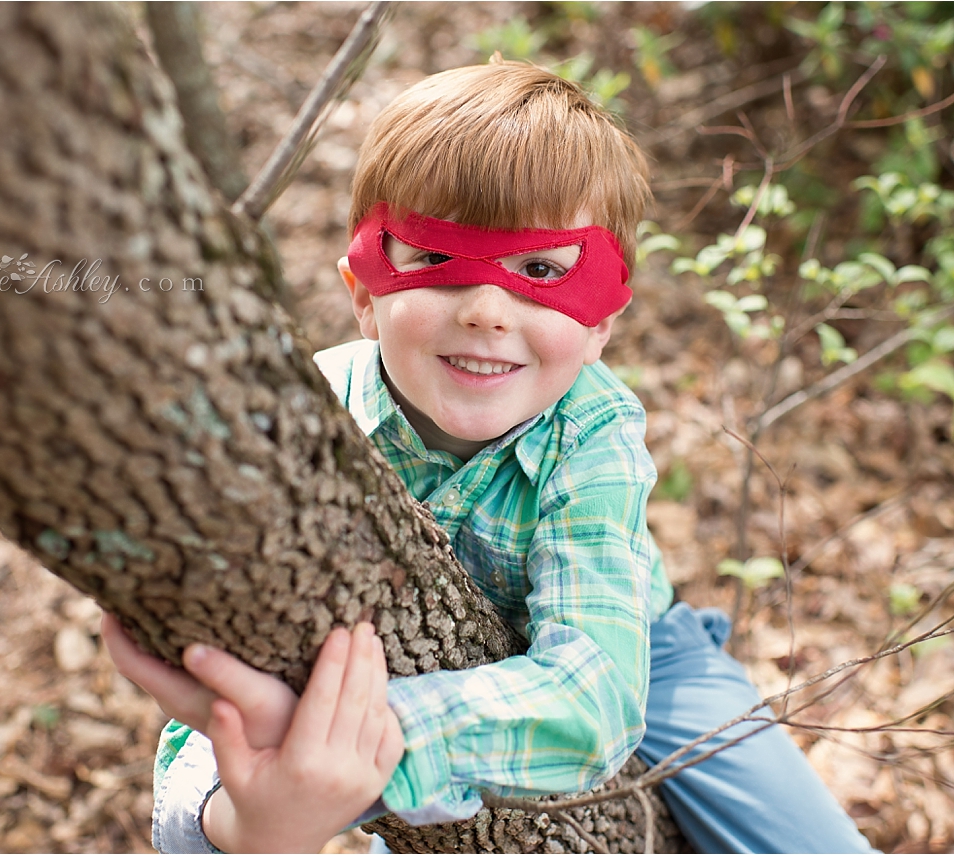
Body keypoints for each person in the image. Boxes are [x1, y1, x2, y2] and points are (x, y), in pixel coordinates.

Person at [102, 59, 878, 854]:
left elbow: (597, 698)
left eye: (541, 271)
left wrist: (369, 730)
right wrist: (273, 773)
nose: (484, 311)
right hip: (373, 674)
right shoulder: (308, 415)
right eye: (436, 261)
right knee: (214, 808)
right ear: (365, 292)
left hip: (641, 655)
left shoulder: (591, 426)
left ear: (602, 321)